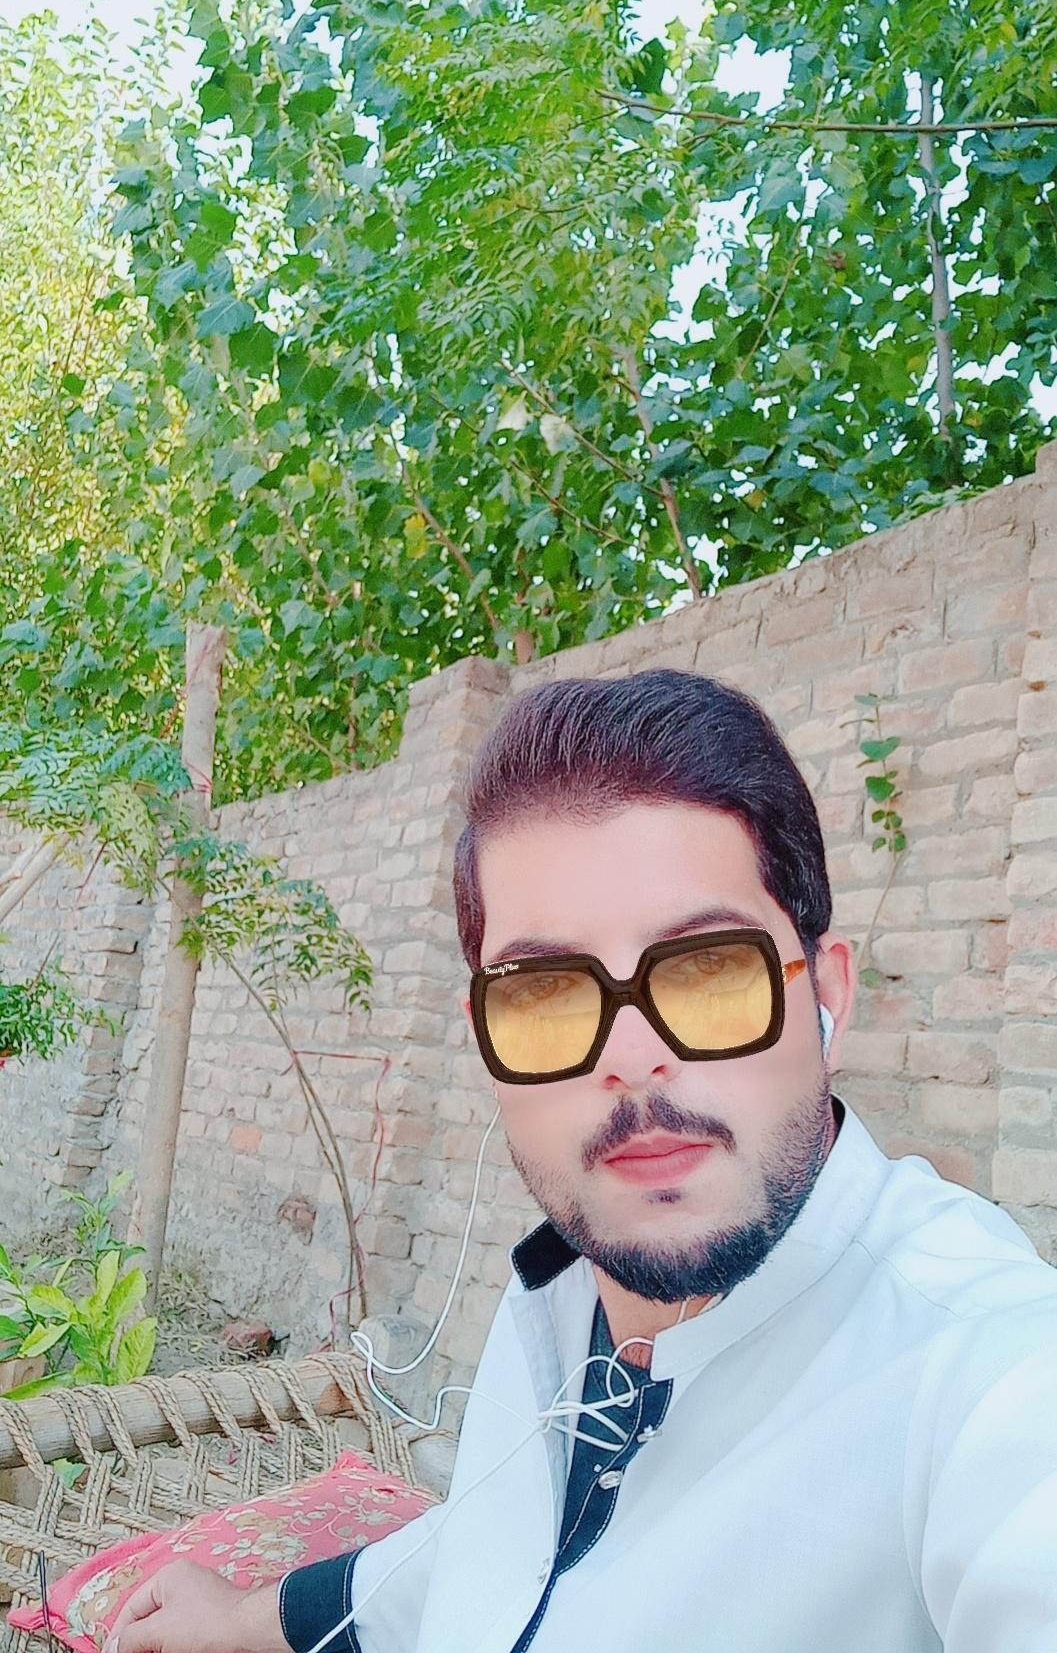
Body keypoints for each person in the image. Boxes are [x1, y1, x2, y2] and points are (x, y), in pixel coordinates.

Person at [107, 672, 1057, 1653]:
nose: (630, 1056)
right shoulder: (564, 1290)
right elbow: (500, 1550)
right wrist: (246, 1617)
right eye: (546, 992)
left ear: (826, 997)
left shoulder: (982, 1376)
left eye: (708, 968)